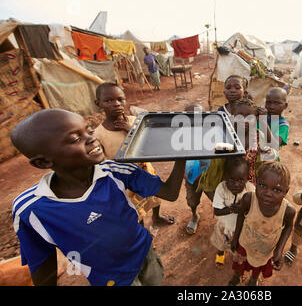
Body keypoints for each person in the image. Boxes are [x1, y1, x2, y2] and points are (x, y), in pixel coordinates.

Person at [10, 108, 186, 286]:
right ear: (43, 162)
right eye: (76, 138)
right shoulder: (31, 210)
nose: (91, 138)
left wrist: (183, 154)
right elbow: (42, 263)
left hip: (144, 253)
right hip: (111, 279)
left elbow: (170, 193)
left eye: (89, 130)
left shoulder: (115, 170)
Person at [94, 83, 175, 226]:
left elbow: (149, 145)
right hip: (125, 180)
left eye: (120, 99)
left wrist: (130, 130)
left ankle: (157, 217)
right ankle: (143, 230)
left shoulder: (135, 121)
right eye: (109, 101)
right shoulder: (99, 135)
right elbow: (104, 164)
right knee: (135, 209)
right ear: (98, 104)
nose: (116, 104)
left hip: (145, 169)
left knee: (155, 197)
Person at [228, 161, 295, 286]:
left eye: (276, 189)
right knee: (240, 263)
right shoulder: (249, 199)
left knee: (258, 266)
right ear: (256, 183)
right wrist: (235, 238)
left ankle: (253, 280)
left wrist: (279, 251)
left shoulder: (288, 211)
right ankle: (237, 276)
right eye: (263, 185)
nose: (268, 193)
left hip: (266, 250)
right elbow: (241, 217)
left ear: (286, 191)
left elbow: (289, 227)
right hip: (245, 243)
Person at [210, 157, 255, 269]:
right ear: (225, 177)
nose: (236, 184)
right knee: (222, 241)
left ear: (247, 178)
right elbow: (217, 211)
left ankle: (238, 264)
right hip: (224, 225)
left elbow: (254, 211)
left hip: (242, 229)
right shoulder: (221, 188)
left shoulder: (251, 191)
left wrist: (244, 208)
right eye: (231, 180)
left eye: (240, 180)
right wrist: (232, 209)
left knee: (238, 247)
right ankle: (221, 252)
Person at [183, 103, 212, 235]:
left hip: (209, 175)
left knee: (217, 200)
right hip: (191, 176)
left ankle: (223, 222)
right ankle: (195, 216)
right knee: (192, 201)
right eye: (190, 116)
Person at [258, 87, 290, 155]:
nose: (271, 107)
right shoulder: (261, 115)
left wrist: (264, 122)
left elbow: (274, 145)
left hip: (268, 159)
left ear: (285, 106)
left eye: (277, 103)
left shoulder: (283, 126)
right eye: (268, 102)